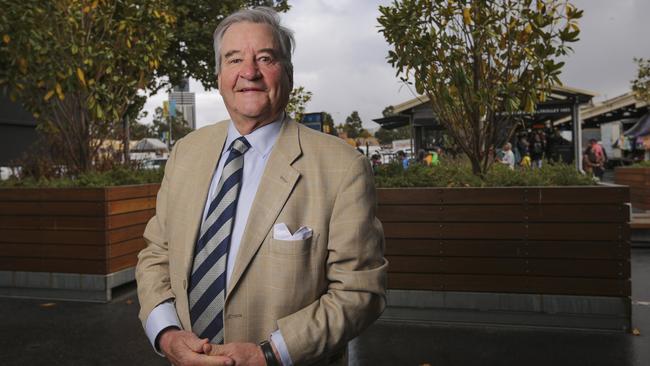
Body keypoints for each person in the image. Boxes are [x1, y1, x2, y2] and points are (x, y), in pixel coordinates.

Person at [135, 7, 387, 366]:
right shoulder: (185, 153)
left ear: (288, 74)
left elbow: (360, 291)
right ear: (220, 75)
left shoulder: (343, 168)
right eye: (234, 59)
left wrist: (270, 354)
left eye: (265, 58)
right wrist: (166, 334)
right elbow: (156, 255)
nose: (248, 72)